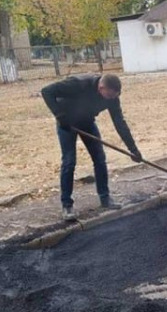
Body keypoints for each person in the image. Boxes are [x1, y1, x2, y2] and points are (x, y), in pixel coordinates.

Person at [41, 73, 142, 222]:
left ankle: (105, 198)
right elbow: (46, 91)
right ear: (101, 88)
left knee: (100, 159)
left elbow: (119, 122)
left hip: (87, 123)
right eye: (108, 95)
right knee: (69, 162)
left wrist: (133, 149)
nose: (111, 99)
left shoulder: (112, 98)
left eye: (114, 96)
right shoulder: (78, 84)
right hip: (67, 124)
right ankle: (67, 205)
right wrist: (60, 116)